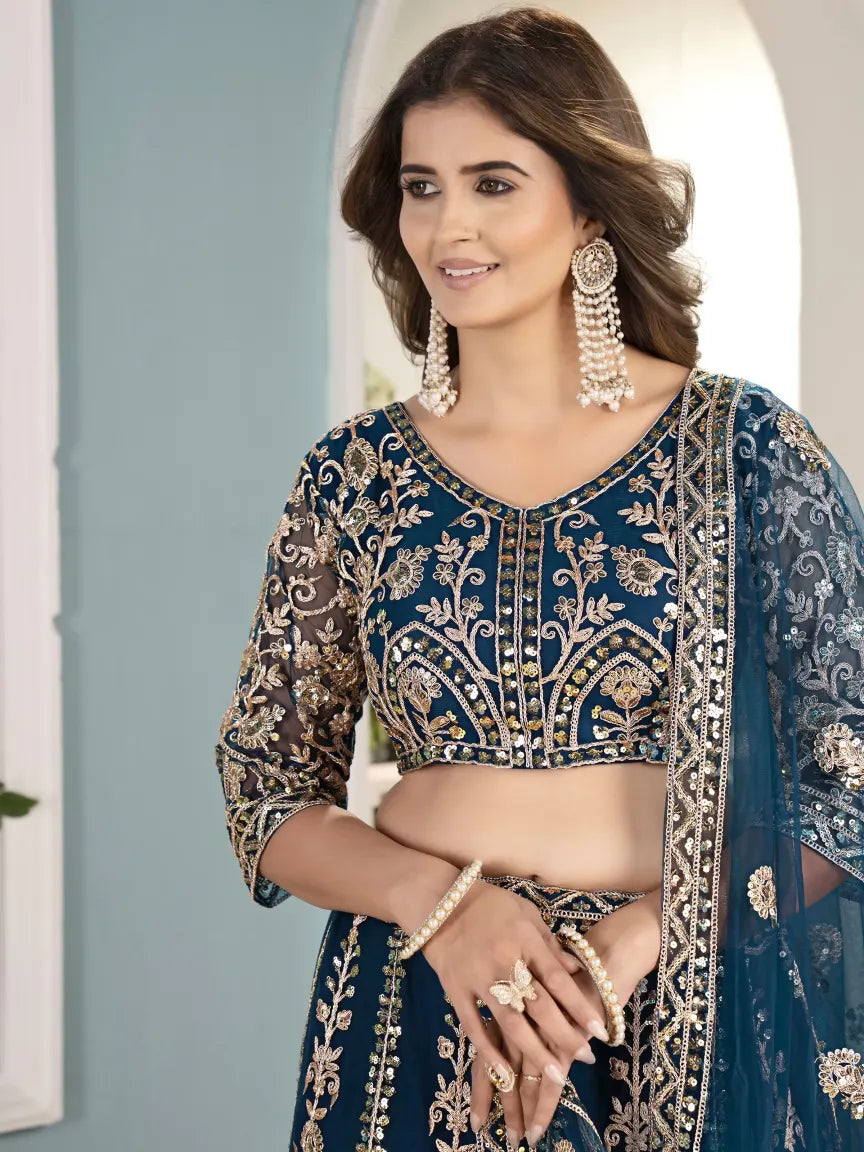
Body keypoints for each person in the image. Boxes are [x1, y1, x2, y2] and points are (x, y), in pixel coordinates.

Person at [214, 8, 864, 1150]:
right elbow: (264, 786)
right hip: (420, 1007)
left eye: (493, 182)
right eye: (421, 186)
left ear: (590, 204)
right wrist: (444, 910)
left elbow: (847, 779)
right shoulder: (354, 478)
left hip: (687, 1006)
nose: (448, 224)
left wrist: (650, 931)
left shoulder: (746, 452)